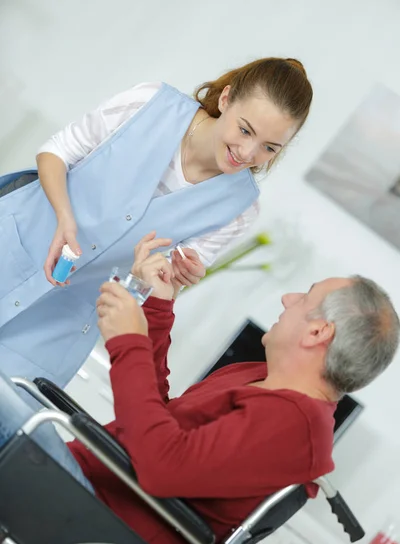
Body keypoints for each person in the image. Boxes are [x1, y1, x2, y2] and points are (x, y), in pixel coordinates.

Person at [0, 233, 398, 544]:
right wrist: (157, 305)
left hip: (108, 526)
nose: (286, 298)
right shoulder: (256, 379)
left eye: (304, 297)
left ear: (316, 331)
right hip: (90, 488)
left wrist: (130, 342)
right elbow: (158, 418)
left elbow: (162, 466)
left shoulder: (294, 429)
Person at [0, 57, 312, 389]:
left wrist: (173, 280)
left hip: (58, 324)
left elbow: (150, 286)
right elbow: (56, 152)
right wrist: (65, 217)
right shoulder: (150, 102)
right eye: (245, 129)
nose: (248, 152)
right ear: (225, 99)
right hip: (14, 247)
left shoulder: (239, 209)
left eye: (269, 147)